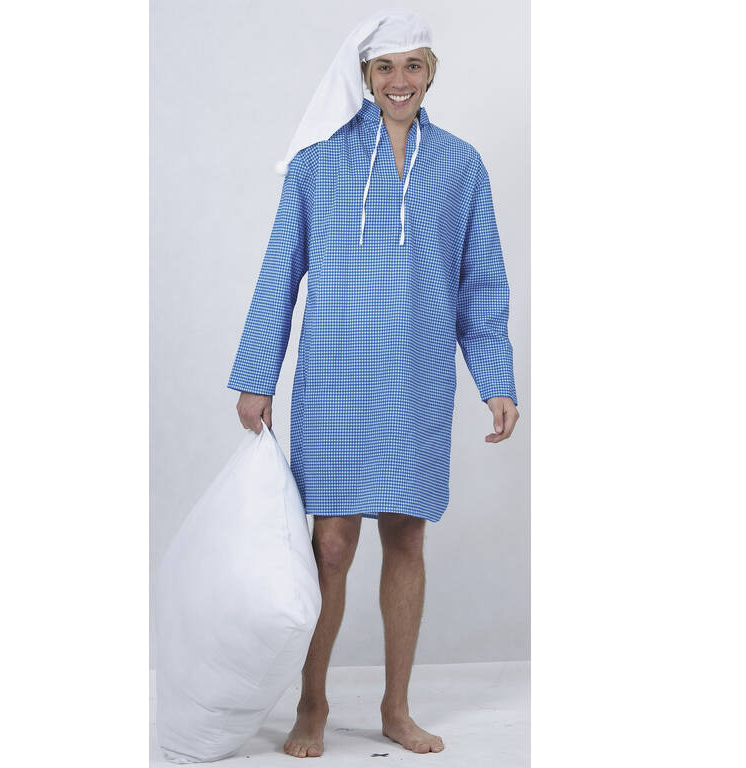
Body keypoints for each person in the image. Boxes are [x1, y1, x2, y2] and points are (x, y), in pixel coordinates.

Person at [227, 9, 520, 758]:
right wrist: (257, 376)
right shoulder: (318, 161)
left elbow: (481, 283)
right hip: (333, 378)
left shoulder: (460, 166)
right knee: (330, 544)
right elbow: (279, 273)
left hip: (416, 376)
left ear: (431, 73)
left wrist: (495, 381)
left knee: (407, 535)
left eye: (413, 65)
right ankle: (313, 702)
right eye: (385, 67)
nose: (399, 80)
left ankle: (395, 707)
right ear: (364, 76)